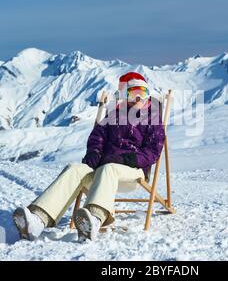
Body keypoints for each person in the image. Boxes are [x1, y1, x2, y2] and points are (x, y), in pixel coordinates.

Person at [12, 72, 166, 241]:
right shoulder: (115, 114)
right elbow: (97, 137)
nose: (138, 98)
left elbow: (153, 150)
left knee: (109, 169)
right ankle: (38, 219)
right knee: (74, 169)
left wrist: (129, 159)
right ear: (125, 96)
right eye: (133, 93)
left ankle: (94, 218)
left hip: (132, 171)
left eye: (142, 92)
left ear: (148, 93)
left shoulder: (153, 117)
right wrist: (94, 153)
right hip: (103, 170)